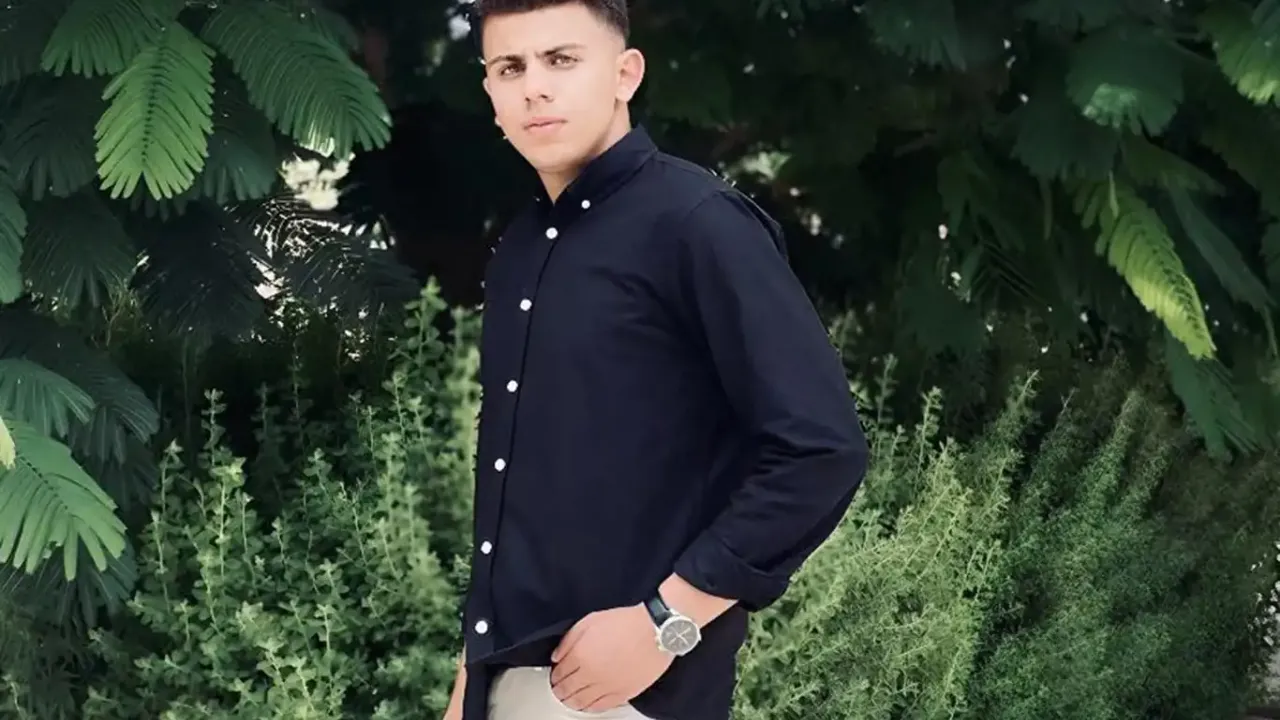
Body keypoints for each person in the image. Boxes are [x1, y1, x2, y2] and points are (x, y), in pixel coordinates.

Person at [441, 1, 870, 718]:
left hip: (637, 695)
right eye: (510, 68)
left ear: (625, 73)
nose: (534, 87)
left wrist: (666, 620)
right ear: (490, 92)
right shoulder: (520, 249)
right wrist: (469, 686)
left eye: (561, 60)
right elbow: (518, 491)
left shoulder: (698, 224)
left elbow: (821, 449)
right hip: (506, 688)